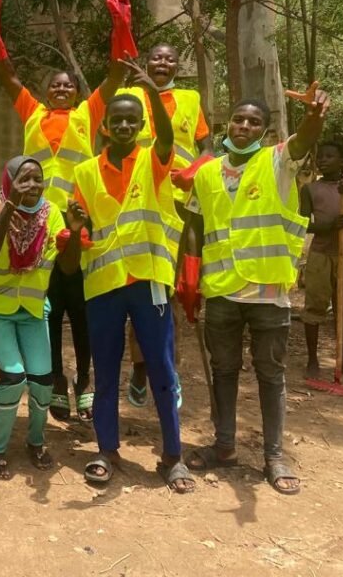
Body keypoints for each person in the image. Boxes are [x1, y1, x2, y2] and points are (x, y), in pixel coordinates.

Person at [0, 0, 124, 423]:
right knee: (51, 309)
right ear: (45, 93)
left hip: (77, 226)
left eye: (68, 85)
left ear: (77, 91)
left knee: (81, 310)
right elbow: (4, 72)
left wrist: (121, 27)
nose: (61, 89)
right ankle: (56, 383)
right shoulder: (31, 113)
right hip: (38, 228)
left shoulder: (88, 114)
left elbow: (116, 74)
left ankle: (84, 383)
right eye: (54, 86)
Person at [182, 89, 331, 495]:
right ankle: (225, 445)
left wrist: (314, 115)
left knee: (271, 375)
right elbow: (194, 226)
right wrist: (190, 280)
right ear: (226, 124)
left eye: (253, 122)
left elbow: (303, 139)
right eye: (238, 119)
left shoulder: (277, 161)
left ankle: (274, 455)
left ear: (265, 131)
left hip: (267, 292)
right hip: (222, 291)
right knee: (224, 370)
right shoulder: (208, 171)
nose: (244, 126)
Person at [72, 64, 192, 493]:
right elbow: (81, 231)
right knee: (105, 370)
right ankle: (105, 449)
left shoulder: (154, 160)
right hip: (103, 286)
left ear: (140, 126)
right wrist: (74, 227)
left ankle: (173, 456)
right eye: (116, 119)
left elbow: (167, 138)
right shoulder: (84, 172)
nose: (123, 125)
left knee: (160, 367)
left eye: (131, 119)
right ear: (104, 127)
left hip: (149, 282)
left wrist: (152, 94)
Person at [0, 156, 81, 478]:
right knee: (13, 377)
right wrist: (10, 207)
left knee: (42, 380)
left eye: (38, 179)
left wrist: (74, 234)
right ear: (9, 182)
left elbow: (69, 267)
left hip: (33, 310)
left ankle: (36, 441)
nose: (32, 185)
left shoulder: (52, 215)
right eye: (24, 179)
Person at [118, 43, 212, 409]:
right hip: (137, 204)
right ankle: (140, 367)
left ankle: (167, 367)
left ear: (178, 64)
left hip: (180, 206)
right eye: (156, 57)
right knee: (140, 286)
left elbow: (206, 148)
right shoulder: (129, 96)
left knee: (174, 288)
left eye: (169, 58)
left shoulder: (190, 98)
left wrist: (195, 170)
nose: (162, 63)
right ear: (146, 63)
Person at [300, 141, 343, 381]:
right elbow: (302, 224)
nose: (323, 160)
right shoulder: (310, 189)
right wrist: (326, 226)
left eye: (330, 156)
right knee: (315, 307)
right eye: (320, 156)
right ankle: (312, 360)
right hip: (320, 255)